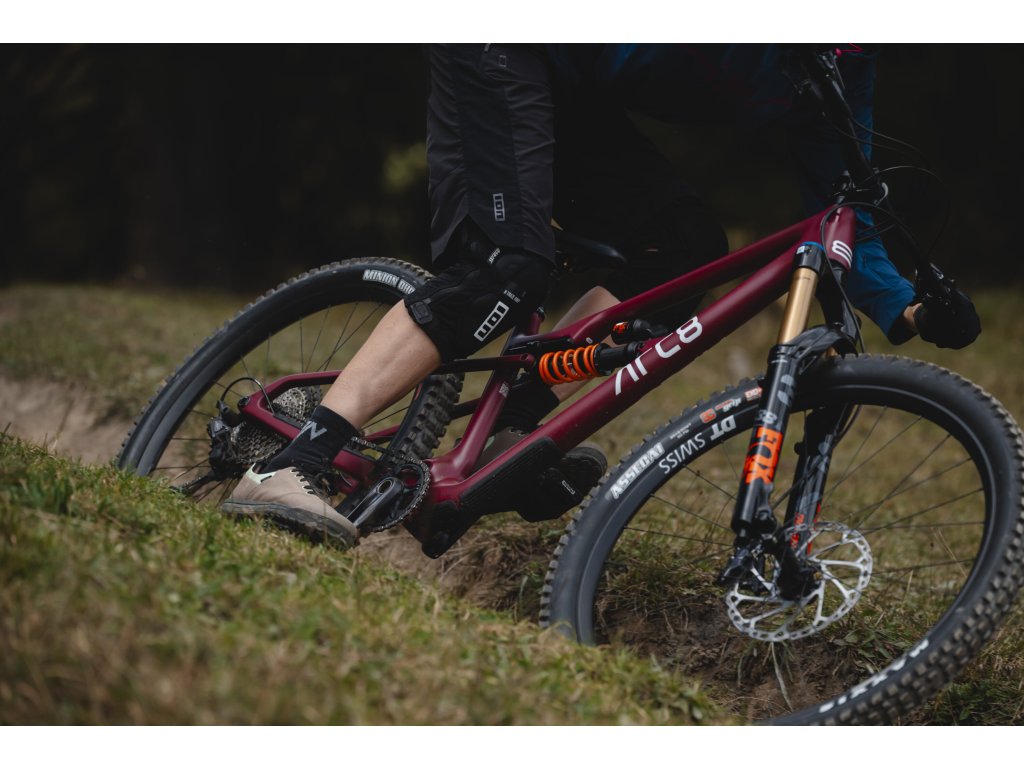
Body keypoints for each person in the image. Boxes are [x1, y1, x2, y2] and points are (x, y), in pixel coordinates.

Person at [222, 44, 981, 548]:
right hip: (505, 46)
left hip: (571, 87)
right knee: (504, 270)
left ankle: (508, 433)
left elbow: (850, 206)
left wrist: (910, 308)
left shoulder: (843, 66)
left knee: (685, 250)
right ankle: (295, 463)